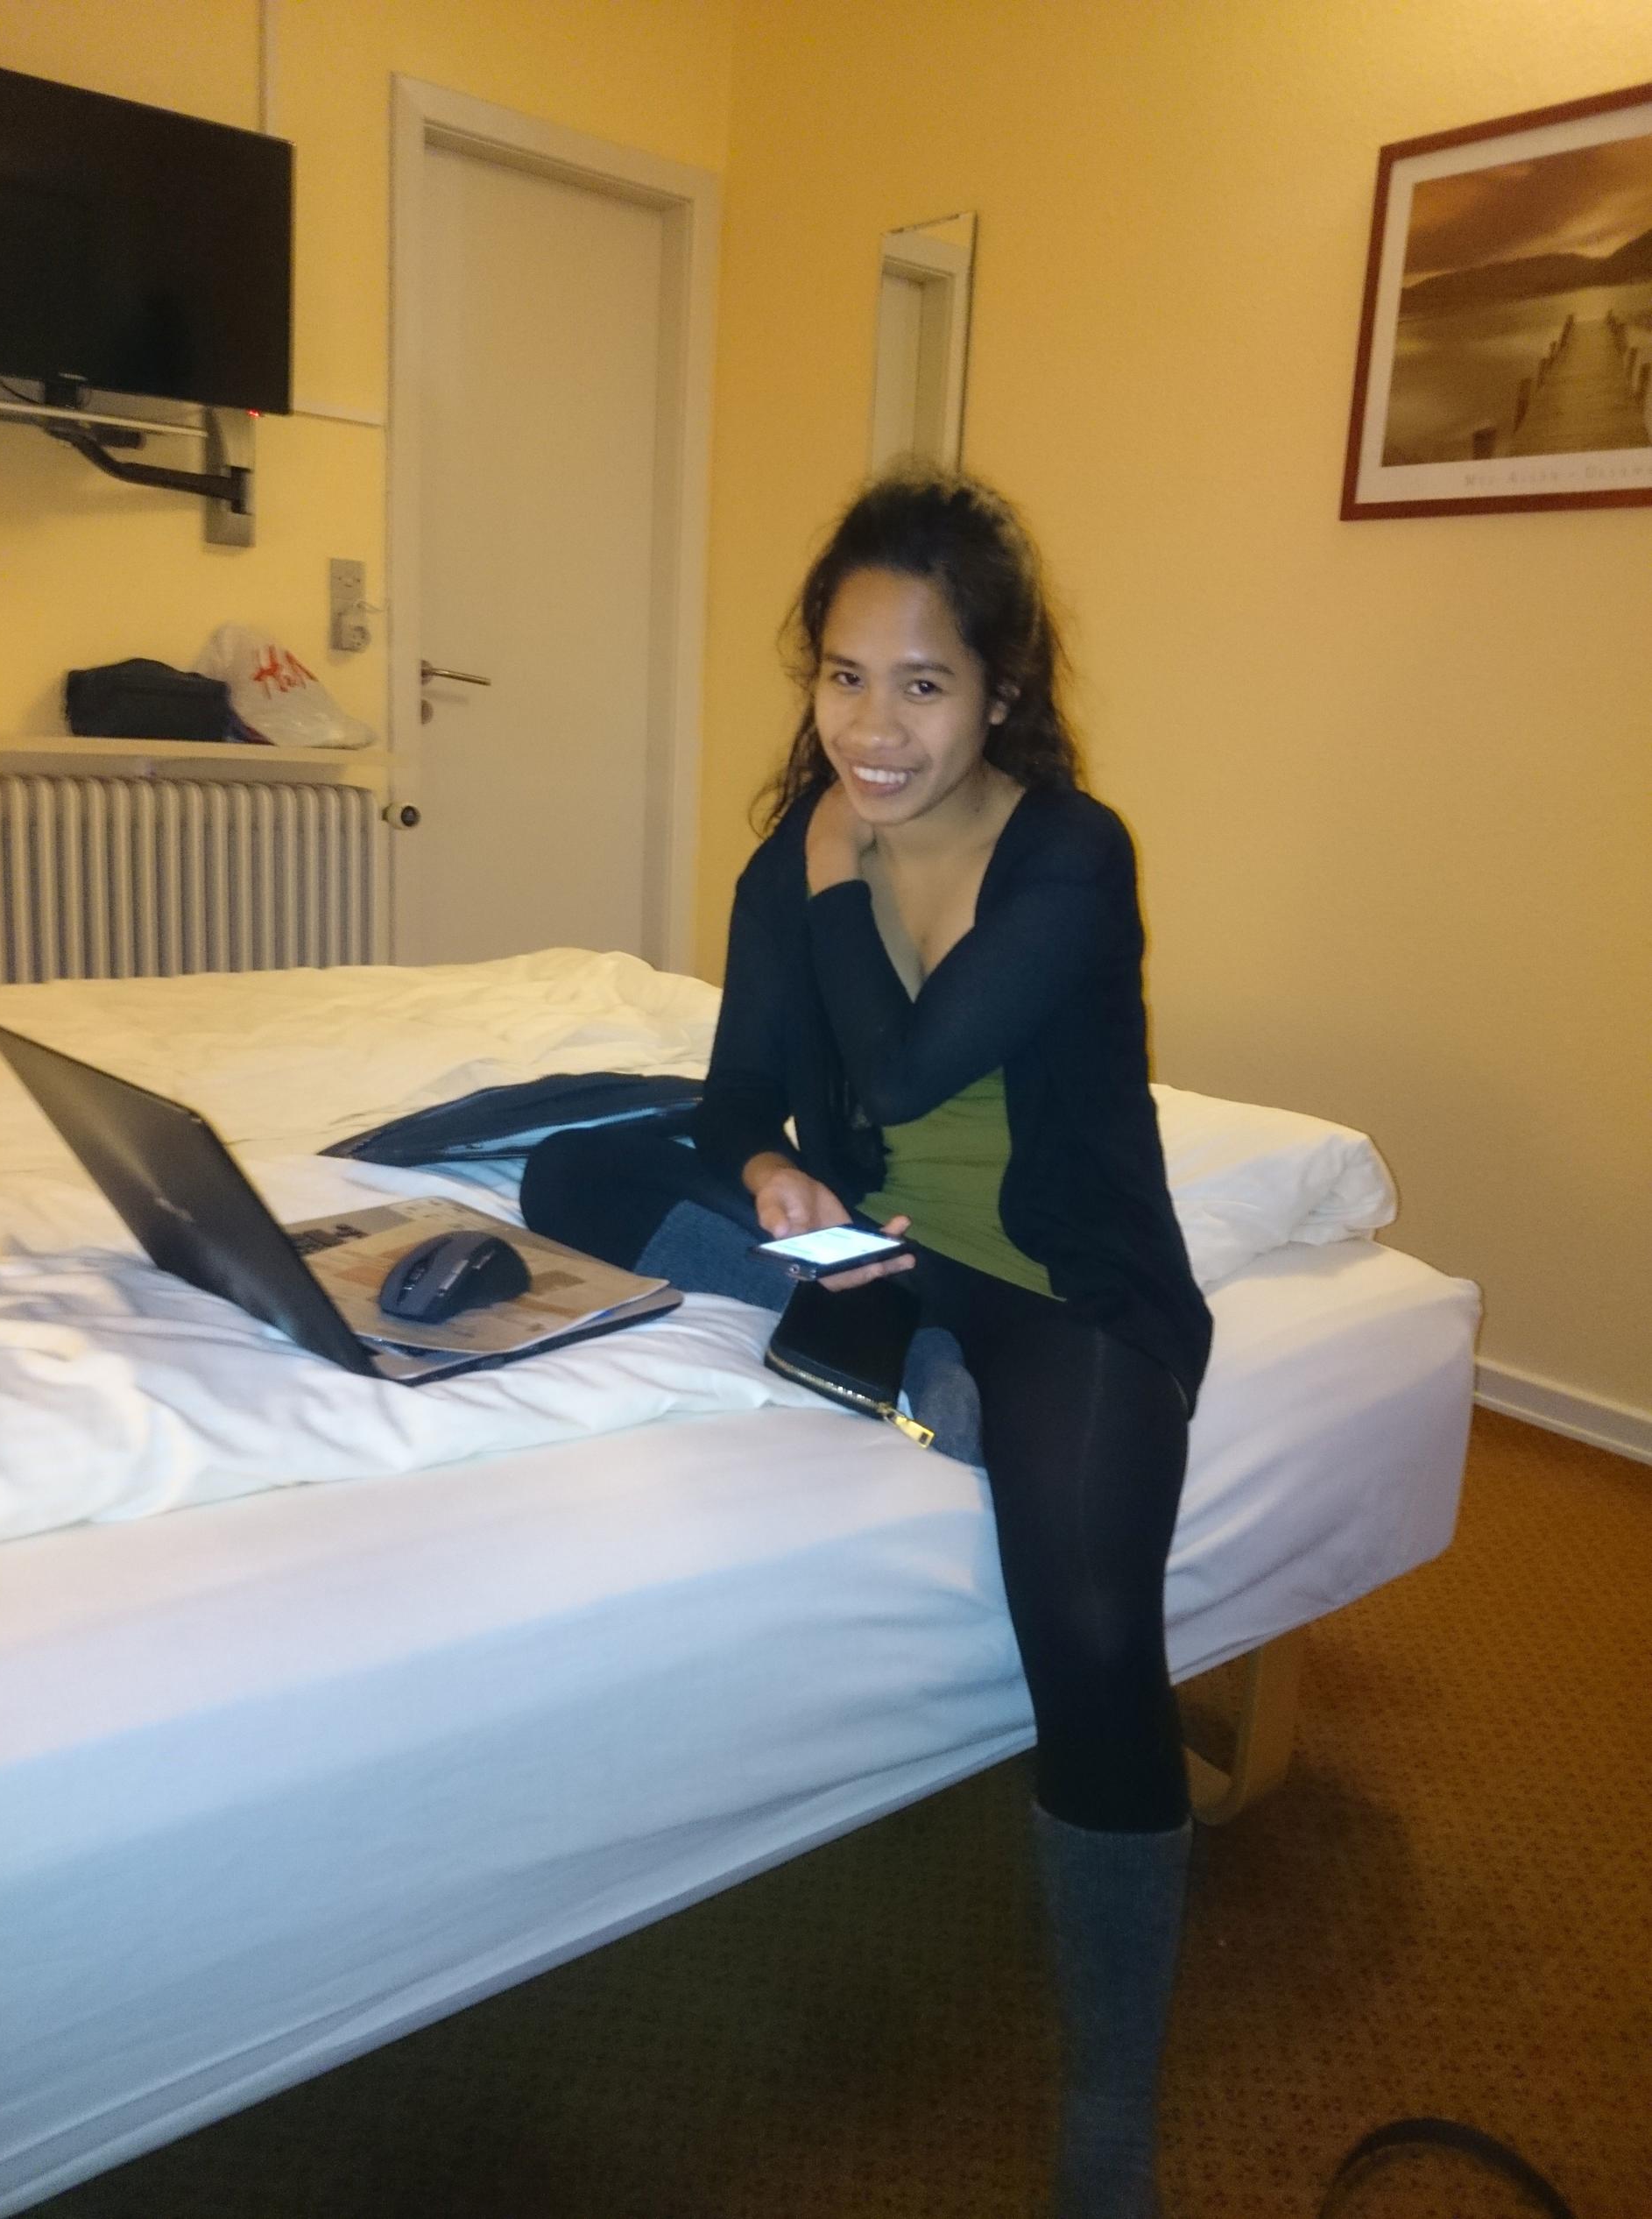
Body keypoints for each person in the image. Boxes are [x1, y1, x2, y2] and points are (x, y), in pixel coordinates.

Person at [520, 466, 1212, 2218]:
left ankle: (1109, 2106)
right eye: (842, 676)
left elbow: (904, 1069)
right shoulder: (794, 856)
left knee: (1090, 1633)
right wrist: (765, 1165)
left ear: (998, 688)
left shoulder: (1070, 853)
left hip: (1062, 1284)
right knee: (570, 1166)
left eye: (920, 684)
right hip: (878, 1262)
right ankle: (898, 1366)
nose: (871, 727)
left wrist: (840, 872)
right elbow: (739, 1092)